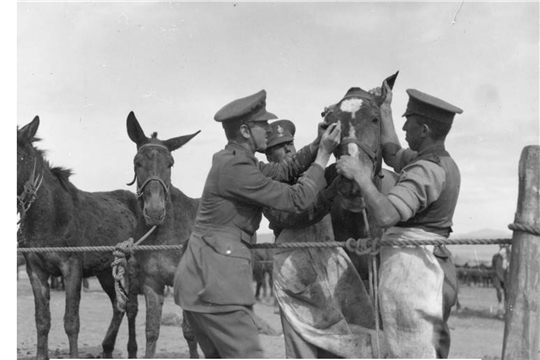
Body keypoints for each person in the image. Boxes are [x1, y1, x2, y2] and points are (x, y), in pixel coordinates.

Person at [173, 89, 341, 358]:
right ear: (245, 131)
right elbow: (297, 199)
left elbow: (285, 170)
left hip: (199, 277)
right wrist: (323, 156)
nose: (268, 130)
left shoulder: (233, 160)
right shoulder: (237, 169)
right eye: (262, 125)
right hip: (217, 277)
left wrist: (317, 141)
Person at [336, 85, 463, 358]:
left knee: (411, 349)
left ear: (425, 130)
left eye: (409, 124)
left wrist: (360, 175)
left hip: (415, 273)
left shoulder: (426, 170)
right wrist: (385, 110)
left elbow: (386, 215)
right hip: (423, 266)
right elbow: (393, 154)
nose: (403, 130)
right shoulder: (436, 160)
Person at [263, 119, 381, 358]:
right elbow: (295, 217)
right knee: (303, 345)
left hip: (329, 263)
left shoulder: (315, 173)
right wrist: (330, 190)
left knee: (352, 330)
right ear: (267, 155)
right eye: (280, 146)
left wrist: (346, 135)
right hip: (295, 271)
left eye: (290, 143)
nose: (288, 149)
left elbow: (348, 168)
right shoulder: (266, 187)